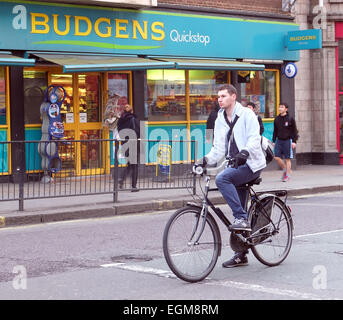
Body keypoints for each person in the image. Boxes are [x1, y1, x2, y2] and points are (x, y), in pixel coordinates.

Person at [195, 84, 266, 268]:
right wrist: (205, 159)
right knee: (238, 203)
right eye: (218, 96)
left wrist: (244, 153)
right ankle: (240, 254)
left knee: (223, 179)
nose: (220, 99)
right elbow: (218, 148)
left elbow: (253, 138)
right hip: (234, 165)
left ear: (233, 96)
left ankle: (241, 217)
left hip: (250, 163)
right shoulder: (220, 118)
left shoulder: (247, 115)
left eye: (224, 96)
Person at [272, 103, 298, 182]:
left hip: (288, 140)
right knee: (276, 157)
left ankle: (288, 175)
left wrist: (294, 141)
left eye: (282, 107)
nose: (280, 108)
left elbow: (294, 131)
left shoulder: (290, 118)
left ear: (286, 109)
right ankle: (285, 170)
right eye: (279, 107)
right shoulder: (277, 119)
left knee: (287, 158)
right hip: (279, 140)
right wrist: (273, 140)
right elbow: (275, 131)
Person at [117, 104, 140, 192]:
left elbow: (119, 131)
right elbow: (137, 131)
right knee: (134, 165)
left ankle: (121, 180)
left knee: (130, 164)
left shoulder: (121, 120)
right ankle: (133, 186)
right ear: (131, 111)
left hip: (124, 144)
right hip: (133, 143)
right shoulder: (133, 119)